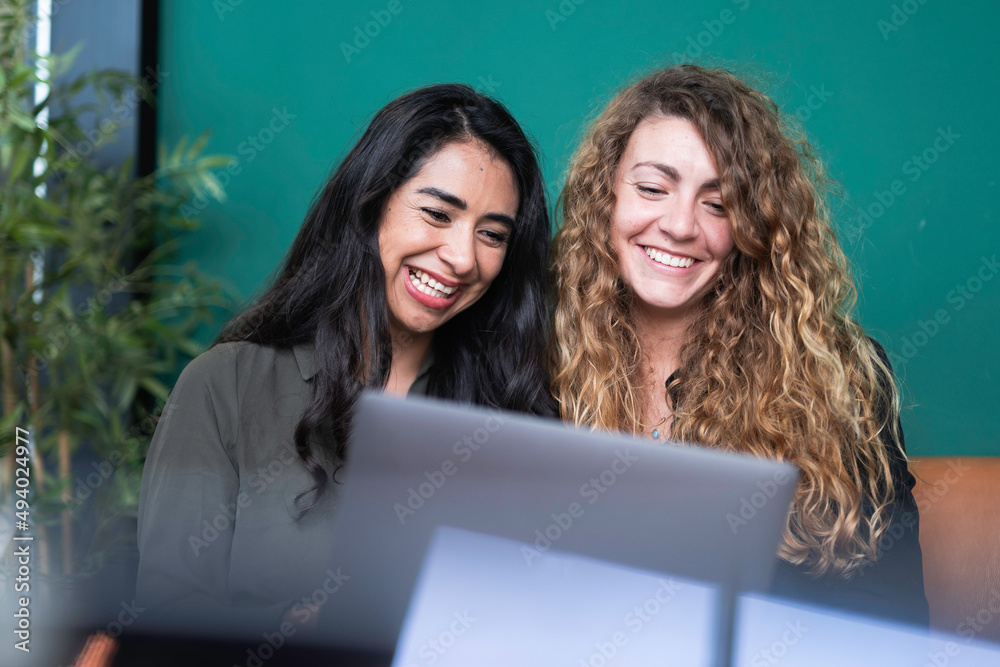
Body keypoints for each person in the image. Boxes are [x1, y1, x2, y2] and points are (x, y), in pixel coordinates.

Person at [136, 84, 554, 628]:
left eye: (492, 235)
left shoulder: (509, 415)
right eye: (436, 213)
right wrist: (295, 632)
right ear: (370, 203)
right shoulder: (227, 386)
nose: (462, 257)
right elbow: (164, 622)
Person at [551, 65, 928, 626]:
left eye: (719, 203)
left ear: (755, 224)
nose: (681, 225)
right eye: (652, 189)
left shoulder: (840, 378)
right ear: (603, 194)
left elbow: (892, 621)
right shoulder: (533, 357)